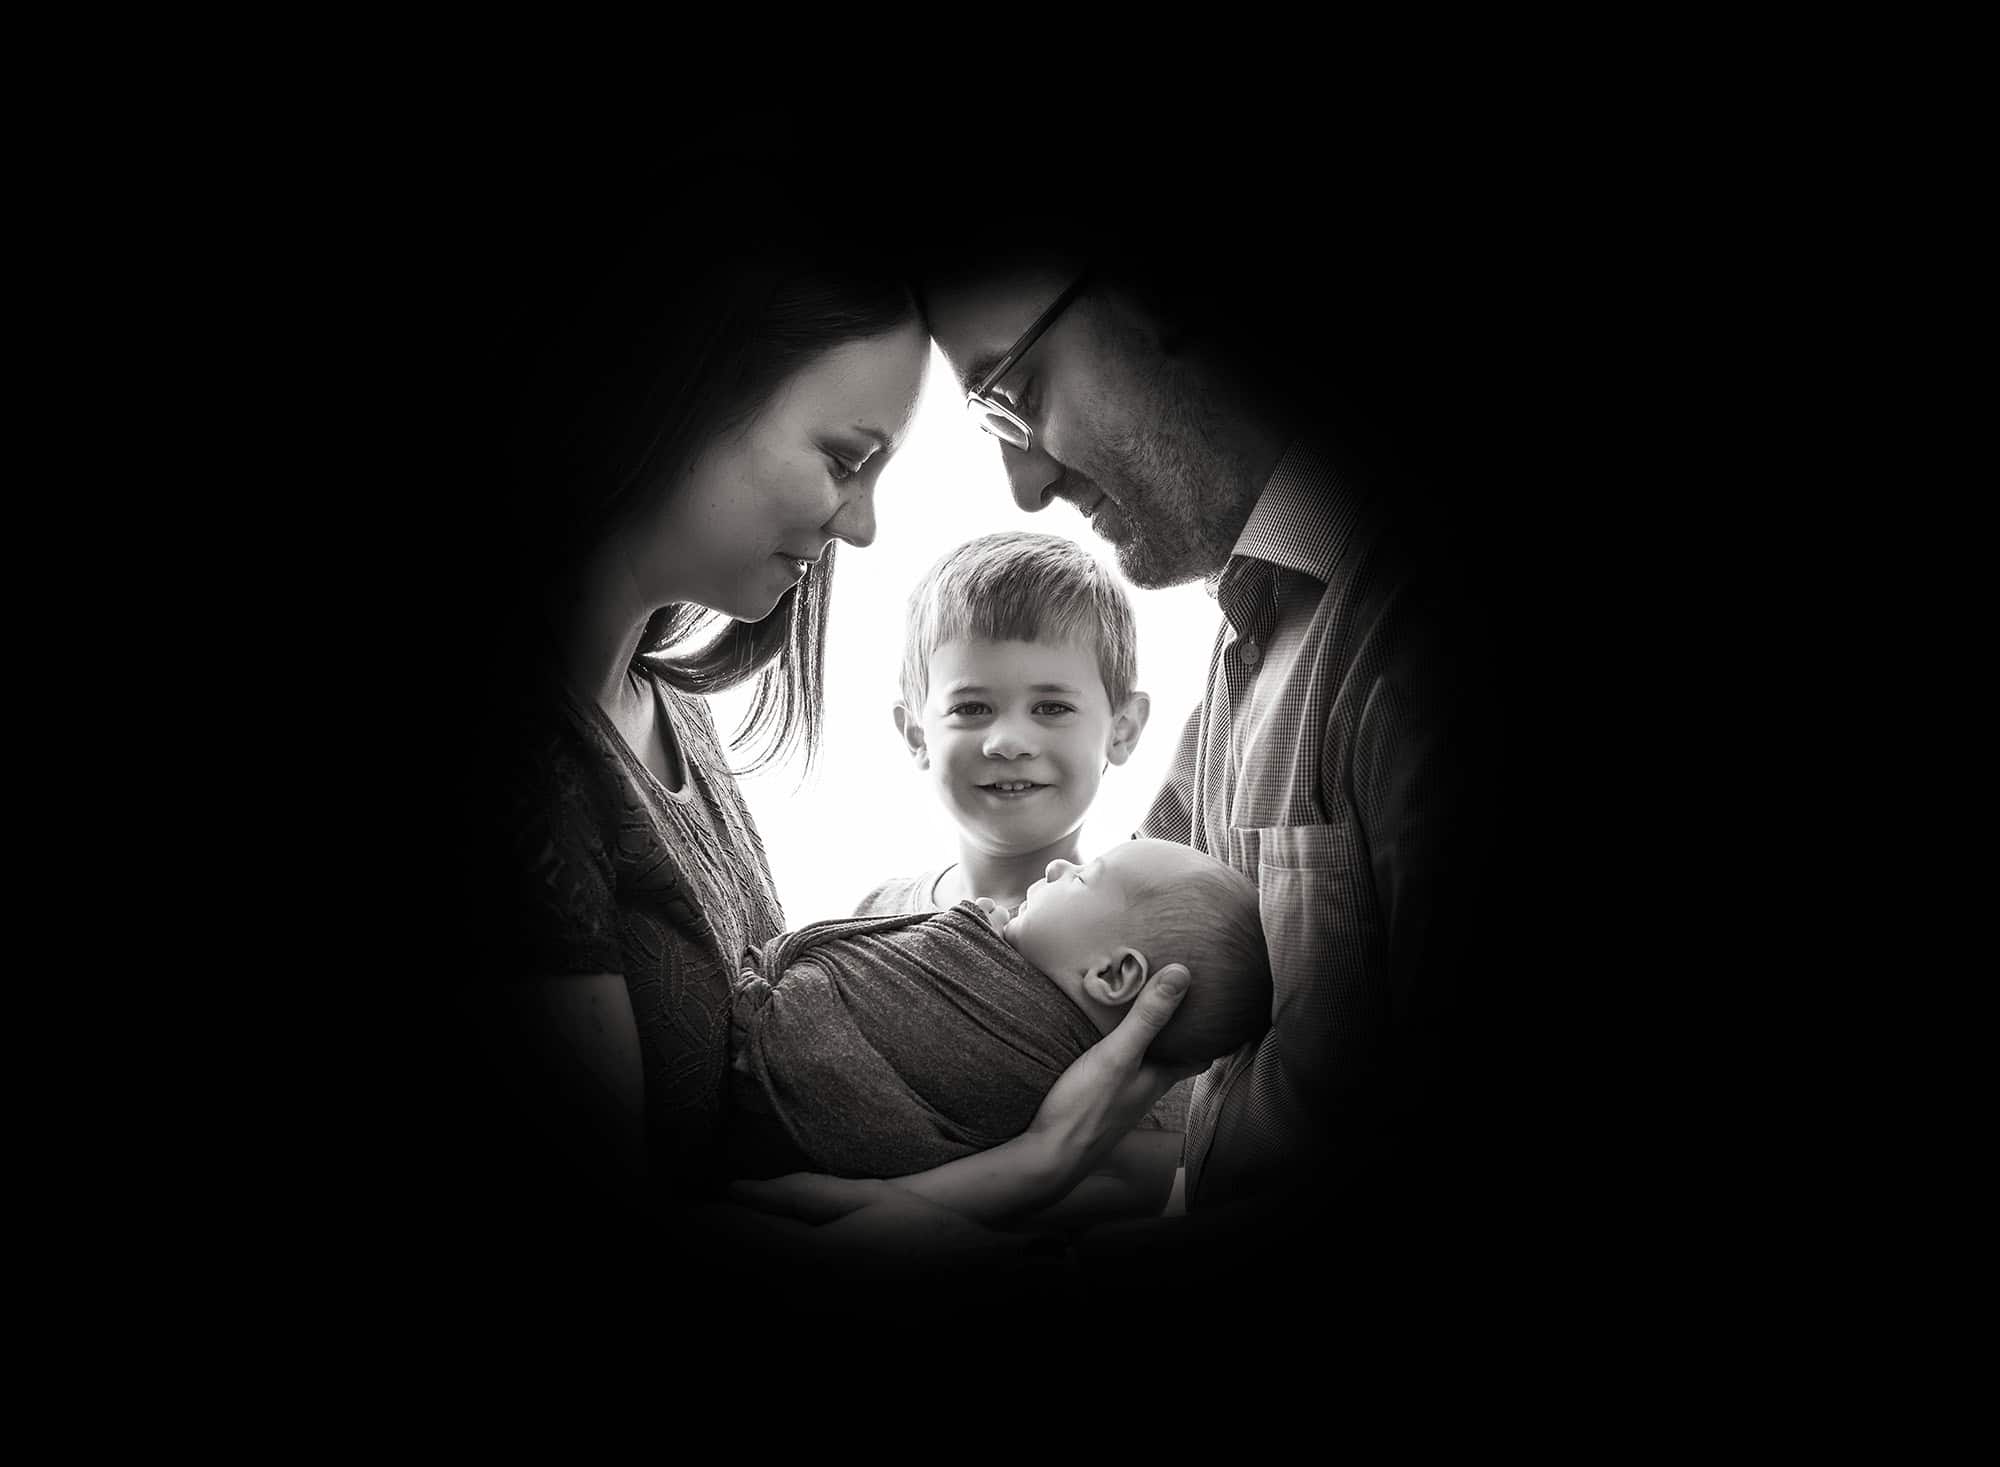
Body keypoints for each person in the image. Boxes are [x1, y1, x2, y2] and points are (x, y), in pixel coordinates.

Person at [446, 213, 1198, 1290]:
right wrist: (1031, 1168)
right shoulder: (521, 771)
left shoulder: (678, 721)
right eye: (845, 460)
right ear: (684, 388)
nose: (862, 529)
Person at [733, 839, 1268, 1214]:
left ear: (1112, 974)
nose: (1060, 867)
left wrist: (967, 939)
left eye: (1082, 879)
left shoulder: (1077, 1089)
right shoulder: (912, 910)